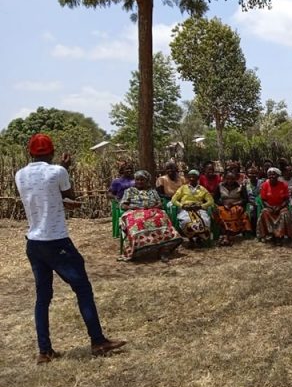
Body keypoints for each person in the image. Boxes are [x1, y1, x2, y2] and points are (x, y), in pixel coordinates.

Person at [15, 133, 126, 364]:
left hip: (34, 242)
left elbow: (43, 197)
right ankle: (98, 341)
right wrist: (65, 167)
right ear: (52, 152)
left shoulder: (20, 174)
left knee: (42, 298)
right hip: (56, 240)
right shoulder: (58, 171)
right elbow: (70, 196)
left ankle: (44, 351)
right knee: (83, 289)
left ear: (30, 152)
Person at [119, 170, 183, 262]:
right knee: (138, 222)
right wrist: (135, 207)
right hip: (134, 212)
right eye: (137, 180)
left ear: (147, 181)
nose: (139, 182)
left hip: (153, 211)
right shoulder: (129, 191)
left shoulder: (152, 191)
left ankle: (164, 250)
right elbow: (123, 205)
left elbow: (160, 204)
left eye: (142, 180)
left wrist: (152, 207)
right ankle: (139, 248)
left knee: (161, 218)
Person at [171, 170, 215, 246]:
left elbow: (211, 201)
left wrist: (201, 206)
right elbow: (173, 200)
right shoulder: (183, 188)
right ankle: (190, 239)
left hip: (198, 209)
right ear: (187, 178)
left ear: (198, 178)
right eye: (190, 177)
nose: (191, 178)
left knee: (205, 221)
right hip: (185, 209)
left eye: (194, 177)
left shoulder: (202, 189)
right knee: (186, 221)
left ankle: (199, 239)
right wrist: (182, 206)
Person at [257, 167, 292, 242]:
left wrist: (279, 207)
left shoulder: (283, 185)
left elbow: (286, 200)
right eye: (269, 175)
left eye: (274, 175)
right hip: (269, 206)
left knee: (284, 213)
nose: (271, 176)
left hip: (281, 206)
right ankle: (269, 234)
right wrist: (270, 207)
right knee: (265, 212)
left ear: (278, 176)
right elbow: (263, 200)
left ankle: (280, 235)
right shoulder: (265, 185)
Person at [213, 171, 252, 246]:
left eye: (232, 179)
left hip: (236, 205)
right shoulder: (220, 186)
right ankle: (226, 233)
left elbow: (245, 199)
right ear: (224, 178)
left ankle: (230, 234)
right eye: (227, 179)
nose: (230, 181)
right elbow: (216, 199)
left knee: (234, 211)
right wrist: (224, 204)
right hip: (223, 205)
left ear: (235, 179)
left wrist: (234, 204)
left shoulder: (241, 186)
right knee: (221, 211)